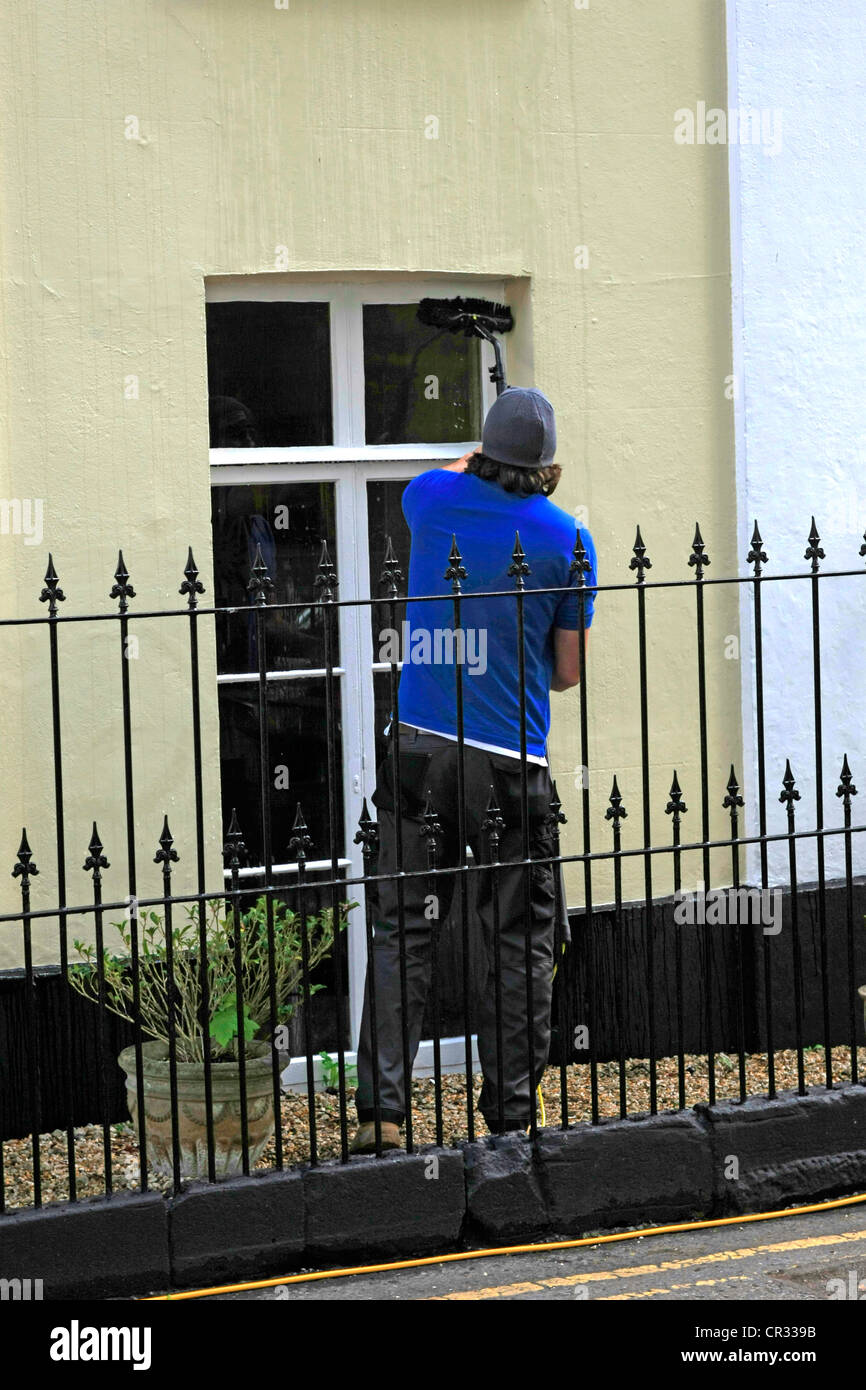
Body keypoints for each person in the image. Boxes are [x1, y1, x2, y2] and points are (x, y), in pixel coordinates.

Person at [350, 386, 598, 1152]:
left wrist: (474, 457)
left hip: (420, 749)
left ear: (484, 449)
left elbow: (450, 468)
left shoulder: (431, 500)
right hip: (509, 762)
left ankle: (386, 1117)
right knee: (519, 938)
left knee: (401, 930)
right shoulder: (568, 540)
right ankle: (512, 1118)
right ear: (548, 461)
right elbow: (566, 673)